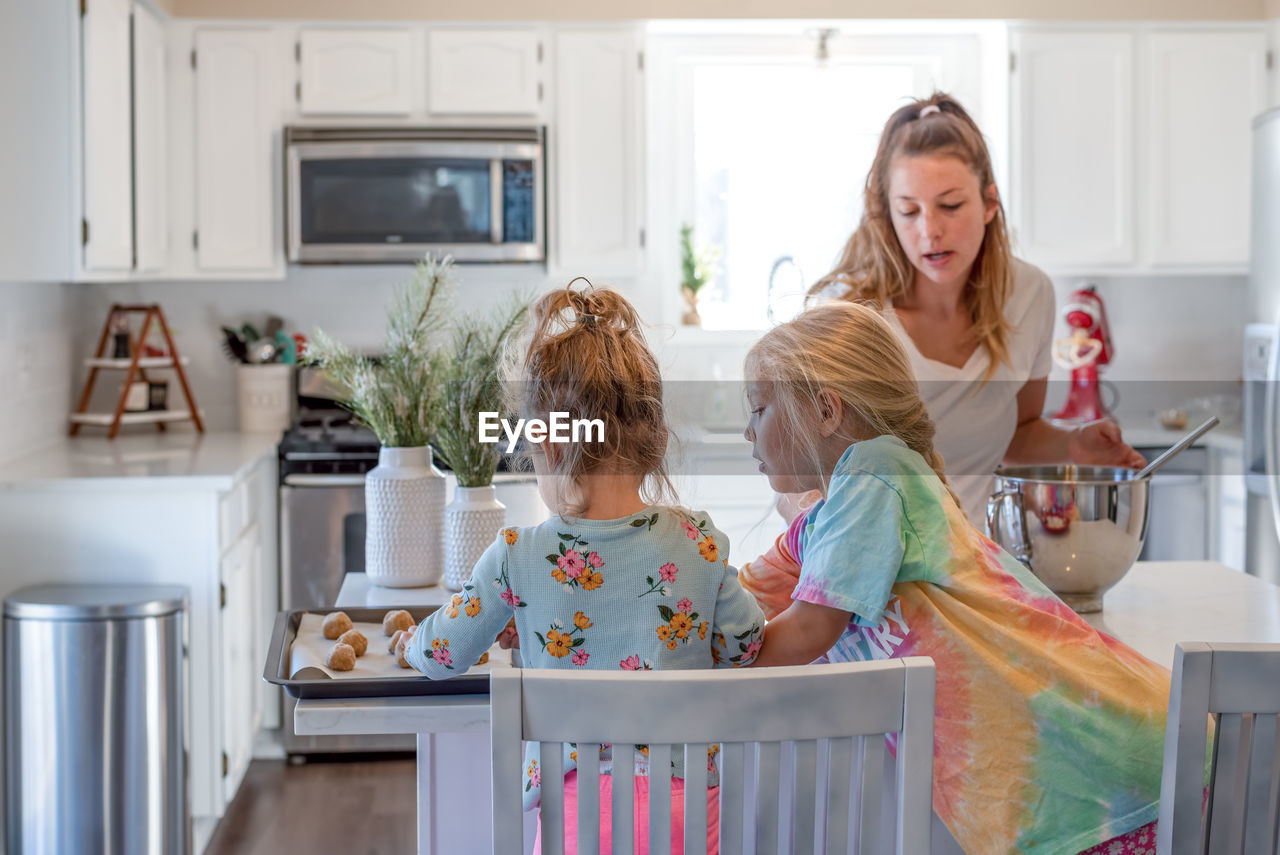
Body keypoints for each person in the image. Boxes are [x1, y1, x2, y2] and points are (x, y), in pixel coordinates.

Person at [743, 301, 1170, 855]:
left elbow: (805, 631)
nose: (745, 432)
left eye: (757, 410)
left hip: (1099, 763)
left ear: (825, 410)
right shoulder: (822, 522)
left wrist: (704, 650)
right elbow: (740, 596)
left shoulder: (876, 471)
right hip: (1070, 774)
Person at [402, 283, 765, 855]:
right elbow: (745, 645)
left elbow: (441, 655)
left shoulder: (517, 555)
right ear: (654, 443)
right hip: (686, 806)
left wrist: (410, 641)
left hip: (577, 810)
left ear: (549, 449)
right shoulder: (700, 540)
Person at [806, 92, 1143, 527]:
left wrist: (1075, 446)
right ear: (888, 215)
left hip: (969, 568)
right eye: (908, 211)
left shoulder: (1028, 295)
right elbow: (803, 475)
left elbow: (1017, 434)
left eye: (950, 205)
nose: (930, 231)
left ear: (988, 203)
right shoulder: (846, 312)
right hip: (857, 568)